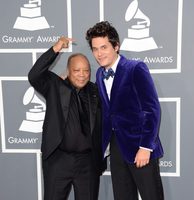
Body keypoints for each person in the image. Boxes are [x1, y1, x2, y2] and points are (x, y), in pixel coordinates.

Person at [86, 21, 164, 200]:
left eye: (104, 47)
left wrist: (145, 147)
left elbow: (151, 109)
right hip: (116, 147)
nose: (99, 53)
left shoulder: (136, 68)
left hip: (140, 146)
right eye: (95, 49)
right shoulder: (99, 74)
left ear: (116, 46)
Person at [28, 37, 106, 200]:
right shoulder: (55, 87)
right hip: (59, 160)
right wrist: (56, 48)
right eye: (77, 71)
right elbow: (34, 75)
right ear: (68, 71)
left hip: (87, 162)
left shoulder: (96, 91)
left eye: (86, 71)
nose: (82, 75)